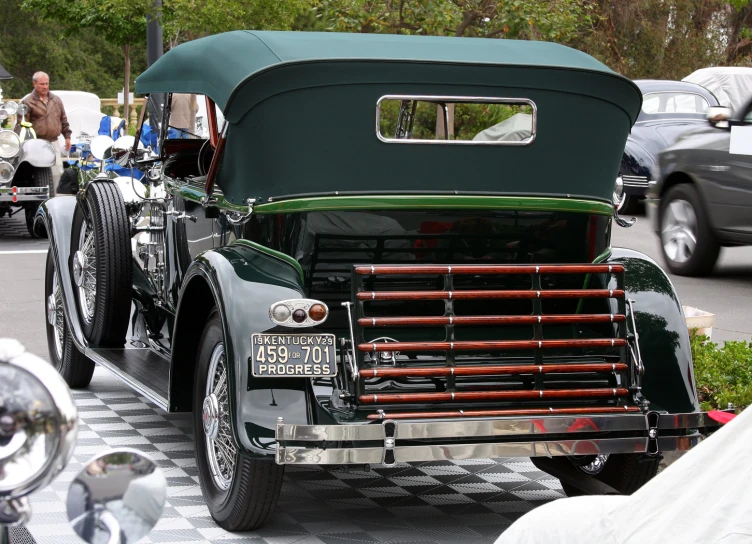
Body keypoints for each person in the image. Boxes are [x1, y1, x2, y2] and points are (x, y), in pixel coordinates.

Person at [21, 71, 71, 194]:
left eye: (46, 84)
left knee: (57, 171)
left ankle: (53, 200)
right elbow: (22, 125)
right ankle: (41, 201)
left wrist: (67, 136)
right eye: (41, 84)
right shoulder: (27, 102)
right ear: (34, 84)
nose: (45, 87)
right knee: (40, 174)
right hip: (36, 143)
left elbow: (63, 119)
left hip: (53, 142)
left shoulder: (56, 100)